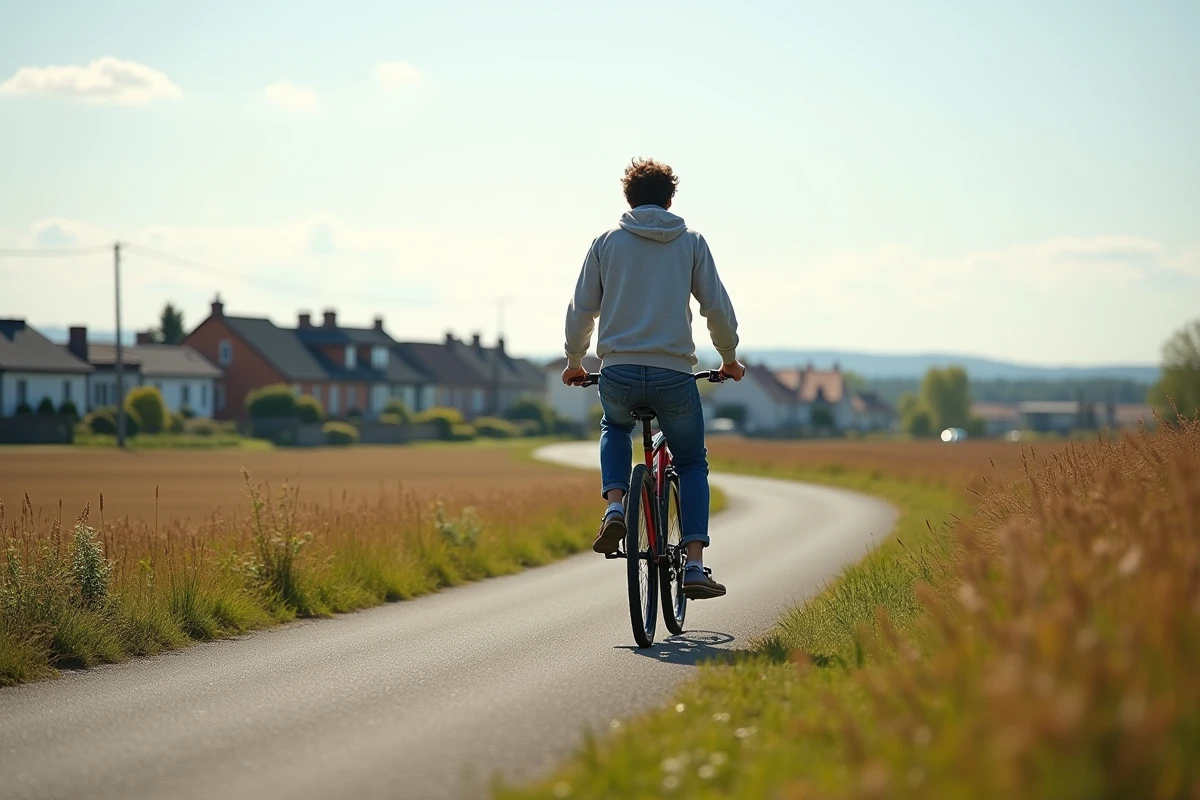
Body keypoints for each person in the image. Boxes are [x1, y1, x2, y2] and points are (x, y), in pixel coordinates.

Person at [561, 157, 744, 599]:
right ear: (669, 199)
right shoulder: (692, 243)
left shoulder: (605, 243)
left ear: (629, 198)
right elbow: (715, 307)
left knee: (615, 426)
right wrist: (729, 357)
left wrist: (574, 360)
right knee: (692, 462)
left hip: (618, 371)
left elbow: (582, 308)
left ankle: (616, 507)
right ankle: (695, 566)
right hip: (674, 374)